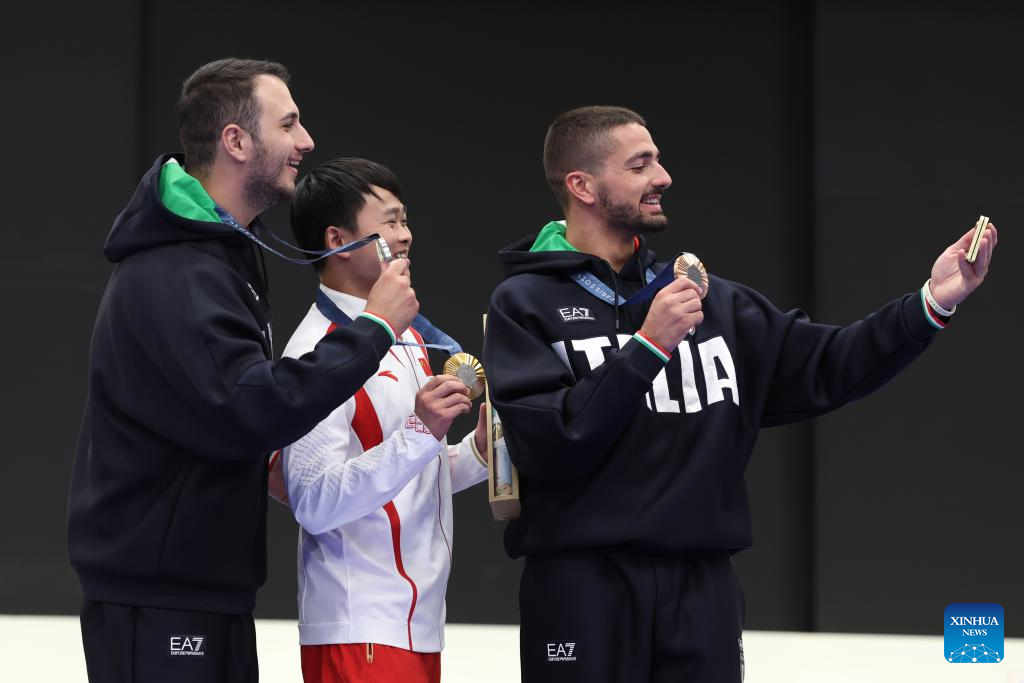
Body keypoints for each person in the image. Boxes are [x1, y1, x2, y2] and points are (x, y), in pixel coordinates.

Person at [482, 105, 998, 683]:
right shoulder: (524, 303)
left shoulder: (709, 299)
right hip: (583, 584)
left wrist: (932, 302)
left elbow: (829, 364)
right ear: (583, 185)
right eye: (641, 164)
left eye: (658, 160)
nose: (663, 177)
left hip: (703, 588)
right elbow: (550, 444)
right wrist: (648, 347)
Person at [67, 59, 419, 683]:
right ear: (236, 141)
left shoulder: (223, 254)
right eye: (289, 123)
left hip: (199, 586)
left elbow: (217, 411)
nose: (306, 142)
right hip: (162, 596)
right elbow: (246, 407)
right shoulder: (180, 268)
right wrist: (372, 330)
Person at [282, 157, 489, 683]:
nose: (406, 236)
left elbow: (408, 475)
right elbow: (313, 502)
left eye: (405, 220)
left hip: (417, 623)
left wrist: (477, 455)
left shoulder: (406, 334)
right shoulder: (314, 353)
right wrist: (420, 431)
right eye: (390, 222)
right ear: (336, 239)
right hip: (360, 629)